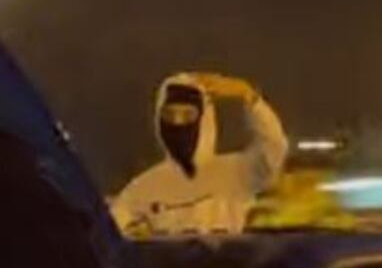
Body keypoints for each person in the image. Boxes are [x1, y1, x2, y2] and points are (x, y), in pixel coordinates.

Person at [110, 72, 288, 237]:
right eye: (169, 116)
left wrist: (250, 97)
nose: (178, 124)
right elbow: (107, 232)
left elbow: (273, 147)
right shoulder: (143, 188)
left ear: (204, 120)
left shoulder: (236, 173)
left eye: (188, 115)